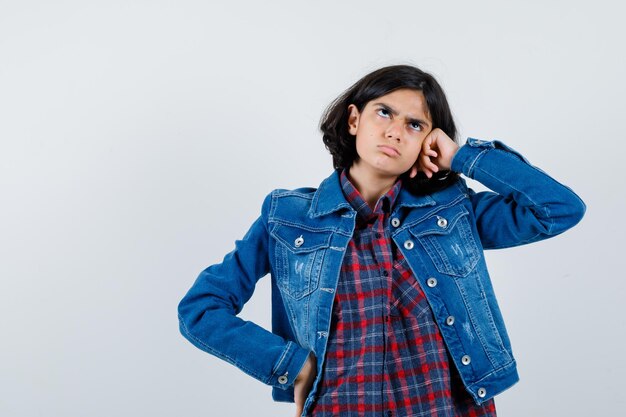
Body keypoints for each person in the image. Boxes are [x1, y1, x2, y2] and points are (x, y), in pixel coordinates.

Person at [177, 64, 586, 417]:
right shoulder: (287, 217)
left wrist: (461, 156)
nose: (394, 132)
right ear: (354, 120)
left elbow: (559, 209)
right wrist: (289, 364)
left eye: (415, 125)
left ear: (429, 140)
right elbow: (200, 308)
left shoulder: (454, 212)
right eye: (384, 112)